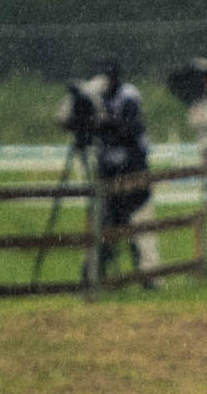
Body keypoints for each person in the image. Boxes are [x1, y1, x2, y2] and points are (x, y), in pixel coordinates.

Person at [58, 58, 160, 287]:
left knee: (141, 227)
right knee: (103, 226)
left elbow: (130, 128)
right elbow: (72, 122)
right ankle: (95, 277)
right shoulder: (94, 96)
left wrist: (105, 123)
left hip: (133, 171)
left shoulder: (129, 96)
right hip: (107, 172)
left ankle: (149, 277)